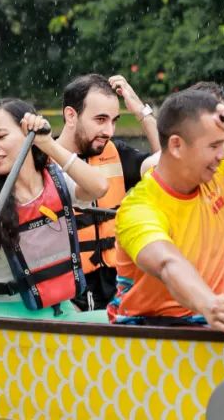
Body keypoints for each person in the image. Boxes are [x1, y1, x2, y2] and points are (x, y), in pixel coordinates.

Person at [109, 87, 224, 331]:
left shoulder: (221, 172)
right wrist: (208, 304)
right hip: (151, 324)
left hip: (210, 315)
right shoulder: (139, 208)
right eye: (214, 146)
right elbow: (168, 264)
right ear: (176, 146)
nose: (222, 154)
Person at [0, 98, 110, 319]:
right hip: (6, 315)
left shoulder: (57, 180)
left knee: (122, 321)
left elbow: (99, 187)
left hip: (59, 308)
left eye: (0, 137)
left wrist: (47, 143)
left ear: (26, 133)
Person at [55, 73, 160, 310]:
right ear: (71, 116)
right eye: (100, 119)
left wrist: (142, 113)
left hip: (118, 295)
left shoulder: (117, 154)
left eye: (114, 121)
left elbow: (169, 166)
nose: (109, 130)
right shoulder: (40, 161)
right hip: (67, 300)